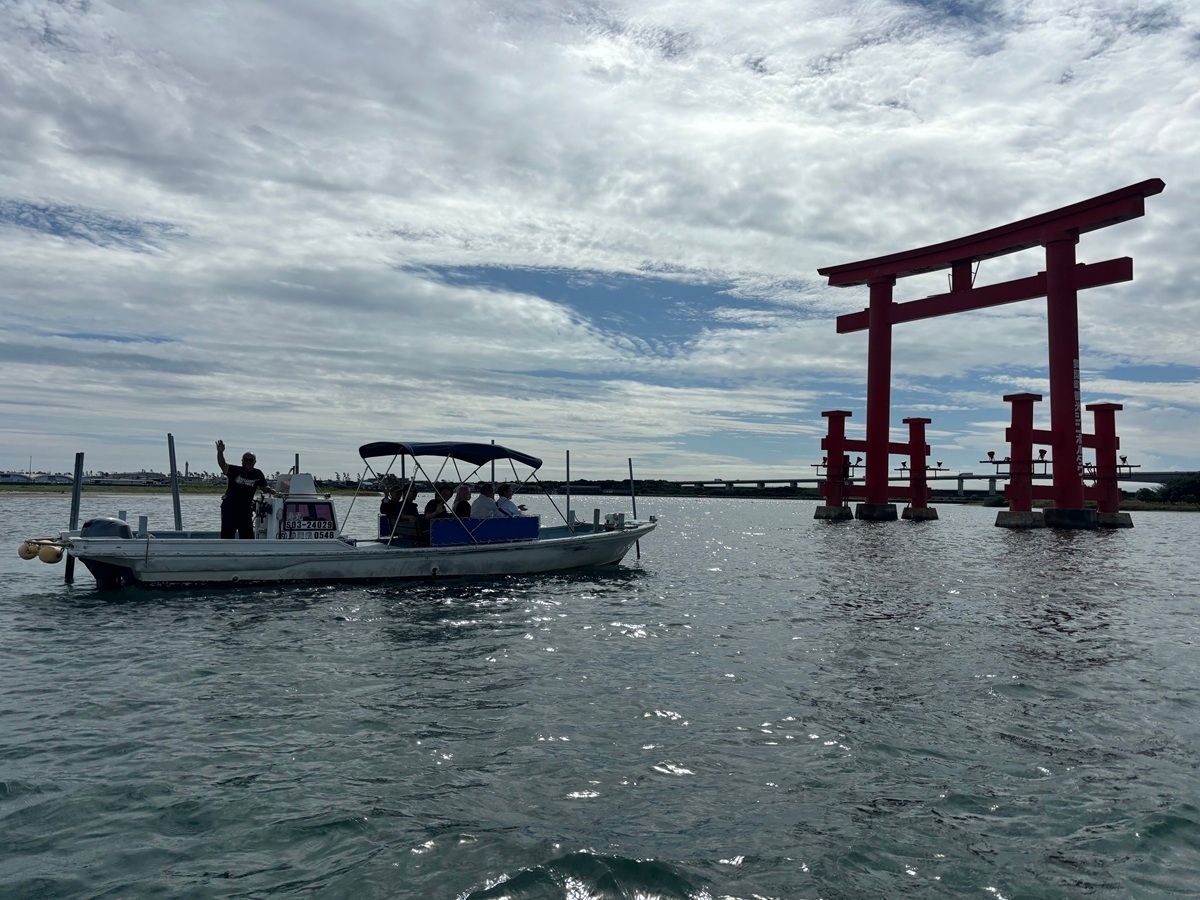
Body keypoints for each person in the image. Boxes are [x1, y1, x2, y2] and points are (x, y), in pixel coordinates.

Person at [216, 439, 274, 539]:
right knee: (227, 535)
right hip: (229, 508)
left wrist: (271, 490)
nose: (248, 462)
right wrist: (220, 452)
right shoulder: (235, 470)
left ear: (255, 462)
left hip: (245, 509)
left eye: (251, 460)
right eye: (245, 459)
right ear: (242, 460)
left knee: (247, 537)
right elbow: (223, 465)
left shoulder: (258, 473)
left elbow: (263, 487)